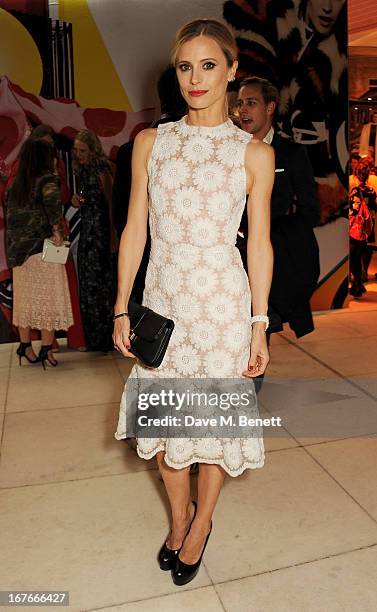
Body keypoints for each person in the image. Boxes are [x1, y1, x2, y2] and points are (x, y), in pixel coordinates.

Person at [113, 19, 274, 585]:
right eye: (186, 66)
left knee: (209, 425)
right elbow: (135, 228)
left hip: (222, 308)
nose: (196, 78)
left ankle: (202, 522)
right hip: (163, 304)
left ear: (232, 72)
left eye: (209, 65)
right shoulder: (153, 143)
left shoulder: (251, 154)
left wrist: (258, 325)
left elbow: (259, 243)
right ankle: (177, 514)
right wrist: (120, 305)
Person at [236, 76, 320, 338]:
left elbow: (310, 211)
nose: (244, 110)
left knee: (260, 329)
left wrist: (280, 238)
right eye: (240, 104)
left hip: (270, 259)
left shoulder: (292, 153)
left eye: (251, 103)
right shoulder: (227, 151)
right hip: (232, 257)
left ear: (270, 108)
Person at [5, 139, 73, 367]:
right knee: (49, 301)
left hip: (18, 252)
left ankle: (25, 346)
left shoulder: (16, 184)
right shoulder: (47, 180)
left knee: (24, 300)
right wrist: (58, 232)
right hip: (42, 249)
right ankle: (46, 349)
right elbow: (54, 209)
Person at [72, 129, 116, 352]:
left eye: (82, 150)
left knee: (102, 287)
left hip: (101, 234)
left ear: (92, 149)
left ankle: (106, 340)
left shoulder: (101, 166)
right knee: (88, 287)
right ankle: (93, 340)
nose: (78, 154)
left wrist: (113, 236)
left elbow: (110, 202)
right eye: (76, 150)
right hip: (88, 234)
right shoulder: (82, 169)